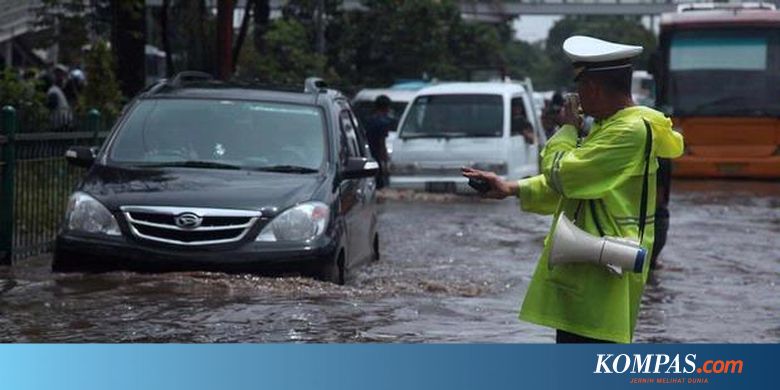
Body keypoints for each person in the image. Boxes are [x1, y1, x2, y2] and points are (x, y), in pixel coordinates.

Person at [462, 35, 684, 343]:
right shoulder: (609, 126)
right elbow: (576, 185)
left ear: (592, 88)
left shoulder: (628, 131)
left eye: (579, 90)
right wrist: (510, 187)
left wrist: (566, 129)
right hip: (589, 267)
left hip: (604, 273)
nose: (576, 99)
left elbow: (564, 175)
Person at [364, 95, 396, 188]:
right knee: (380, 186)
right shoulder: (383, 123)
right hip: (377, 158)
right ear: (387, 108)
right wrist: (385, 164)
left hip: (367, 156)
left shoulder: (368, 121)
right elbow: (382, 144)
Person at [46, 64, 73, 130]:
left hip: (63, 124)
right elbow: (51, 106)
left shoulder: (58, 90)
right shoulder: (54, 91)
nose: (63, 79)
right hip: (60, 126)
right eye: (60, 75)